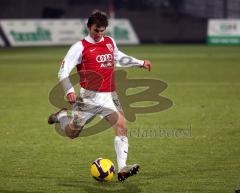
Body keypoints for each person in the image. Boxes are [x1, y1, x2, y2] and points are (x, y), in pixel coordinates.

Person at [48, 10, 152, 182]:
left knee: (121, 125)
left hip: (108, 96)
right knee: (73, 133)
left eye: (102, 30)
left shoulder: (110, 42)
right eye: (96, 30)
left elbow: (118, 57)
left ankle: (122, 168)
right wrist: (69, 91)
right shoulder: (79, 47)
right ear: (89, 27)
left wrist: (139, 63)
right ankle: (61, 117)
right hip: (88, 98)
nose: (99, 34)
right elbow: (63, 71)